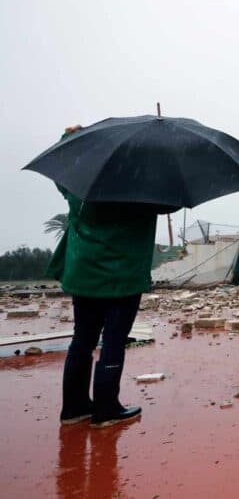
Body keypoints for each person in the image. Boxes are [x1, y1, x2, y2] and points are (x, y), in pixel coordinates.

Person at [47, 124, 176, 428]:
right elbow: (173, 201)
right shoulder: (142, 189)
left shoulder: (79, 187)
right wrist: (163, 164)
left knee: (82, 339)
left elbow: (63, 168)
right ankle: (106, 409)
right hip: (123, 277)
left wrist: (68, 138)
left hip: (84, 275)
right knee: (113, 341)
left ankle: (74, 407)